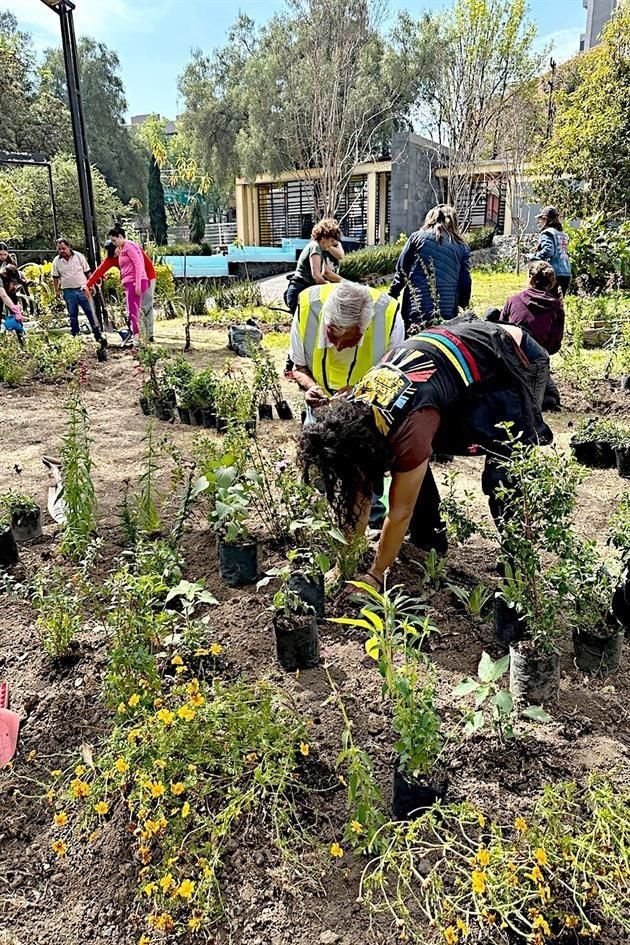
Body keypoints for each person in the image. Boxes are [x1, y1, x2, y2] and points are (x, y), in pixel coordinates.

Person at [298, 316, 551, 590]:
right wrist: (343, 563)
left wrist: (375, 574)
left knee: (504, 468)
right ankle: (429, 539)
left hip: (515, 357)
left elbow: (399, 511)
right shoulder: (356, 417)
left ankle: (519, 569)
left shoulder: (409, 423)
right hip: (454, 363)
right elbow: (358, 496)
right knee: (409, 457)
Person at [291, 280, 403, 527]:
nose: (339, 346)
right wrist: (311, 387)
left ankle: (369, 524)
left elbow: (393, 376)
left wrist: (356, 392)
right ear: (327, 322)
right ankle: (315, 524)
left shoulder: (389, 317)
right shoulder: (308, 308)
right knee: (319, 468)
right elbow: (297, 368)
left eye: (349, 341)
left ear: (363, 329)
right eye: (333, 337)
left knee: (365, 470)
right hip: (320, 407)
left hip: (366, 408)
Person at [486, 261, 565, 410]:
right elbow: (555, 344)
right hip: (537, 362)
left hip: (510, 360)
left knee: (544, 398)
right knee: (543, 401)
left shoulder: (514, 300)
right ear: (551, 282)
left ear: (530, 278)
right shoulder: (556, 307)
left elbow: (501, 329)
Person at [390, 204, 472, 331]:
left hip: (416, 308)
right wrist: (463, 304)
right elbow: (465, 281)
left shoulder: (416, 238)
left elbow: (402, 271)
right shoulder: (461, 247)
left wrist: (392, 295)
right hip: (447, 312)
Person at [83, 240, 157, 342]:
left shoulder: (132, 250)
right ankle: (138, 334)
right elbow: (99, 271)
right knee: (134, 309)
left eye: (115, 250)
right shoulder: (112, 258)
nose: (115, 254)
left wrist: (144, 284)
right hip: (131, 282)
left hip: (147, 277)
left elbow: (146, 267)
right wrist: (87, 285)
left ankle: (149, 335)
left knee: (146, 306)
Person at [284, 218, 345, 316]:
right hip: (298, 292)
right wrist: (329, 287)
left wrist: (345, 283)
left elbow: (327, 272)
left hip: (303, 292)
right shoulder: (315, 248)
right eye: (331, 241)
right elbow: (316, 275)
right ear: (323, 237)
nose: (331, 245)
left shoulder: (319, 250)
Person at [52, 238, 104, 345]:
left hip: (82, 289)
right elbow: (55, 278)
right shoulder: (56, 261)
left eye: (63, 248)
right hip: (68, 291)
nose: (62, 251)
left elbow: (88, 272)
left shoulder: (79, 256)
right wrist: (56, 291)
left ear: (69, 247)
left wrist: (92, 285)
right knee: (72, 315)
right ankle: (76, 338)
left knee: (90, 312)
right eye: (59, 249)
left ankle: (98, 335)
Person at [107, 224, 149, 347]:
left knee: (133, 310)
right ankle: (137, 335)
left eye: (114, 240)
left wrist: (137, 283)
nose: (114, 243)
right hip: (130, 281)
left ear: (120, 236)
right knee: (132, 310)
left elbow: (138, 264)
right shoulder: (124, 248)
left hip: (135, 281)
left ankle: (137, 337)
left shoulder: (129, 247)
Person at [528, 206, 571, 295]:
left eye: (541, 219)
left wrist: (533, 256)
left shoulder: (547, 233)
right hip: (566, 273)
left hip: (552, 273)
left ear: (546, 219)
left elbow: (548, 251)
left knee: (547, 303)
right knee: (559, 304)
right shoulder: (563, 235)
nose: (539, 222)